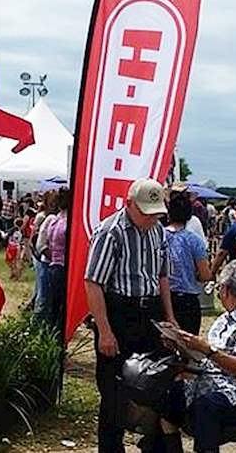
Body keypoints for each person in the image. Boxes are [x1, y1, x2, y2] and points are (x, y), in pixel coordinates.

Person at [84, 178, 177, 453]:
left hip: (149, 312)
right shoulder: (110, 232)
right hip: (119, 312)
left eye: (155, 213)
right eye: (145, 212)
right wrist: (105, 330)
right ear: (129, 205)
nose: (151, 219)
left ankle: (152, 444)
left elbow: (162, 277)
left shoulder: (158, 232)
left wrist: (169, 318)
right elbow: (93, 283)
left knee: (155, 385)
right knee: (114, 393)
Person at [154, 260, 236, 453]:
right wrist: (182, 346)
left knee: (205, 408)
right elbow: (206, 356)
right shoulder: (228, 318)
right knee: (168, 397)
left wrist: (208, 350)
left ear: (226, 290)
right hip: (222, 382)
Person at [164, 195, 211, 334]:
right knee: (189, 348)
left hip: (162, 298)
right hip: (187, 300)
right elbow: (205, 275)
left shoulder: (158, 236)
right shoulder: (194, 240)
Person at [37, 188, 70, 329]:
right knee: (61, 309)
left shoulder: (54, 221)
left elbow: (44, 245)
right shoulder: (68, 223)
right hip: (63, 267)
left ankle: (48, 334)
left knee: (53, 307)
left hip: (53, 267)